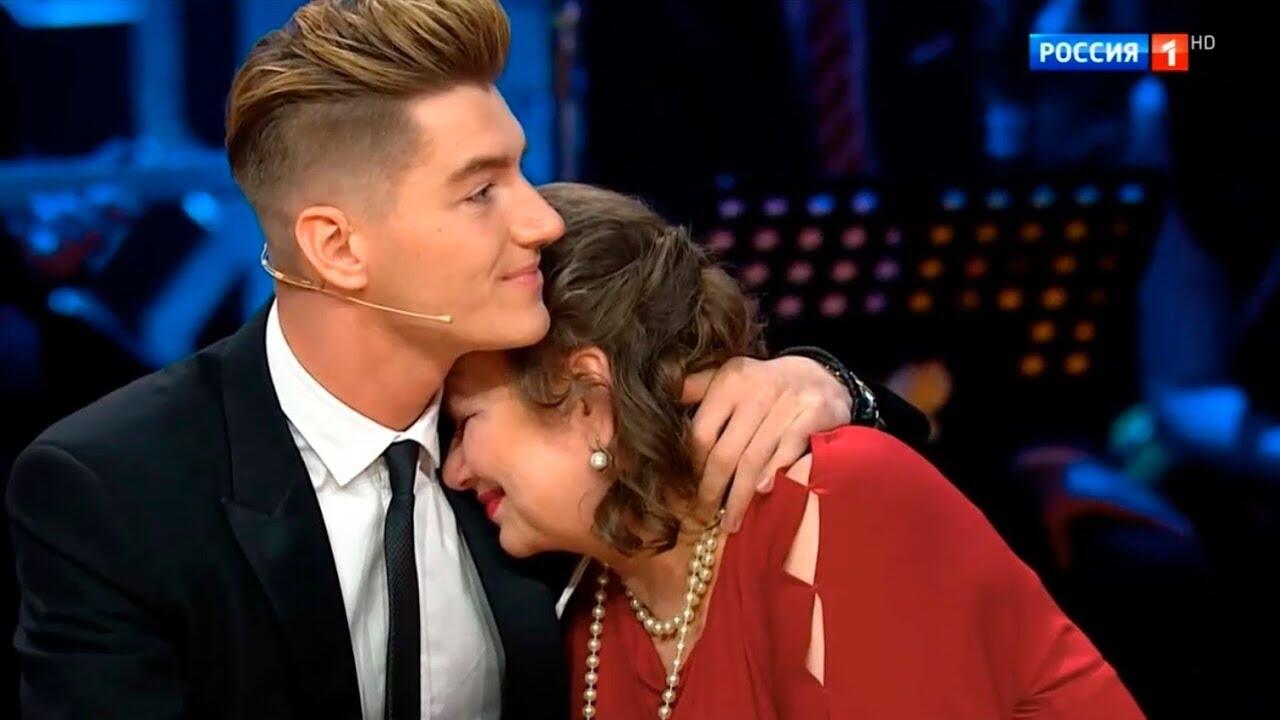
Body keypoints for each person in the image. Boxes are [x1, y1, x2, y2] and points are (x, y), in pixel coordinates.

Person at [5, 2, 920, 718]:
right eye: (482, 190)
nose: (542, 220)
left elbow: (891, 501)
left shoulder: (551, 409)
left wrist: (824, 383)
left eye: (521, 171)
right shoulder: (116, 489)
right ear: (338, 247)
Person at [443, 182, 1146, 719]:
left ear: (586, 394)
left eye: (466, 420)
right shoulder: (583, 604)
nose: (454, 469)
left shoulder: (839, 501)